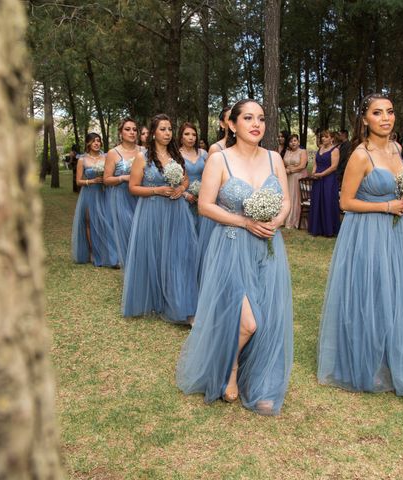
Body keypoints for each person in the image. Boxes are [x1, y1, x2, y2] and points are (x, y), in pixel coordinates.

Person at [177, 99, 293, 416]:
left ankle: (261, 380)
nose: (256, 124)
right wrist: (245, 221)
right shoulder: (220, 160)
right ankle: (229, 369)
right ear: (232, 124)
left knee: (267, 317)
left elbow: (285, 201)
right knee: (248, 322)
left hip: (268, 247)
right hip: (231, 246)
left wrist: (276, 221)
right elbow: (205, 206)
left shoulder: (274, 160)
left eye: (261, 119)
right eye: (248, 118)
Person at [317, 93, 403, 397]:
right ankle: (365, 363)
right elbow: (345, 202)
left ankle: (397, 364)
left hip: (397, 233)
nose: (386, 118)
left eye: (390, 112)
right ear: (365, 119)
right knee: (371, 294)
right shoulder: (360, 155)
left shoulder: (396, 148)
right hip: (367, 231)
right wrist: (387, 206)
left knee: (399, 294)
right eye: (377, 113)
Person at [121, 114, 199, 324]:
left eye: (170, 129)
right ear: (153, 132)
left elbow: (185, 180)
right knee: (156, 254)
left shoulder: (176, 156)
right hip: (152, 211)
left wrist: (181, 189)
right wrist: (158, 190)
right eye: (163, 129)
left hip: (176, 211)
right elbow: (133, 188)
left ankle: (181, 303)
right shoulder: (142, 157)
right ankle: (157, 300)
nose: (167, 133)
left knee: (179, 255)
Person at [71, 133, 115, 267]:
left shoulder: (107, 157)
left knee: (106, 221)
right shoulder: (82, 160)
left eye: (98, 141)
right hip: (89, 193)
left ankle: (107, 251)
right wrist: (92, 181)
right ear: (88, 143)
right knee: (90, 222)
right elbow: (78, 181)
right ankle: (92, 251)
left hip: (104, 192)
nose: (96, 143)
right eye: (93, 141)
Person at [178, 122, 215, 279]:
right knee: (186, 238)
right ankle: (187, 272)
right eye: (187, 134)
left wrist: (203, 193)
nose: (191, 137)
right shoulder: (175, 154)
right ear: (180, 136)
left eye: (193, 134)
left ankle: (202, 272)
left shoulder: (204, 153)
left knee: (202, 237)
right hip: (183, 200)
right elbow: (172, 180)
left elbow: (211, 176)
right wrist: (186, 194)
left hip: (202, 200)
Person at [103, 117, 141, 267]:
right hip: (121, 196)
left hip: (140, 195)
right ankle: (128, 262)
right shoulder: (113, 153)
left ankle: (139, 260)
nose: (132, 132)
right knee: (128, 227)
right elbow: (106, 179)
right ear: (120, 133)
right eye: (127, 129)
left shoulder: (143, 151)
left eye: (134, 129)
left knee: (139, 228)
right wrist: (124, 177)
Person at [308, 130, 340, 237]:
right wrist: (313, 172)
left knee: (327, 201)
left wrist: (322, 174)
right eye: (322, 137)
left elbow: (334, 167)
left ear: (332, 139)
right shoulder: (320, 148)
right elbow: (316, 163)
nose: (323, 139)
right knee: (317, 201)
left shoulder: (335, 150)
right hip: (318, 179)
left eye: (326, 137)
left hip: (328, 179)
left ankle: (329, 230)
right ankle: (316, 229)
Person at [283, 133, 308, 228]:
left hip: (298, 177)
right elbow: (283, 163)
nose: (293, 143)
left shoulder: (302, 151)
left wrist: (291, 170)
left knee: (296, 197)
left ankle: (295, 220)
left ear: (298, 142)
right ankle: (286, 219)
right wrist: (284, 170)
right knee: (288, 197)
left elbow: (302, 166)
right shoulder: (287, 152)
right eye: (290, 141)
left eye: (294, 140)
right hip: (288, 177)